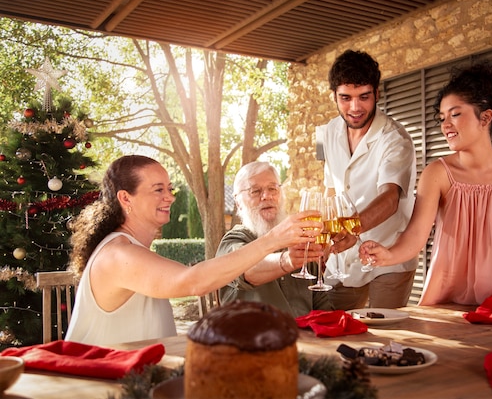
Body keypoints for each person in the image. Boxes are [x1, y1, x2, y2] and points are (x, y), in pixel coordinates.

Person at [65, 155, 321, 345]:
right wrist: (274, 239)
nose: (170, 197)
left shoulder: (132, 249)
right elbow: (194, 282)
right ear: (125, 199)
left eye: (169, 188)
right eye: (158, 190)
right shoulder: (117, 254)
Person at [361, 60, 492, 315]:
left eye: (455, 114)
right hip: (446, 307)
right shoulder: (437, 174)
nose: (445, 125)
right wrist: (387, 256)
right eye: (442, 118)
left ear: (486, 117)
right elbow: (416, 236)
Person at [322, 49, 418, 311]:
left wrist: (350, 228)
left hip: (388, 257)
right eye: (346, 98)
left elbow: (389, 199)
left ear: (377, 93)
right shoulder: (329, 132)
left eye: (364, 96)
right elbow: (331, 189)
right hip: (342, 259)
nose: (355, 107)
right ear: (335, 97)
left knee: (384, 341)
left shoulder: (395, 139)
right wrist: (326, 239)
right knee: (331, 331)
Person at [216, 161, 332, 317]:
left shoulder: (299, 241)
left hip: (306, 338)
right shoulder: (234, 240)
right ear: (238, 202)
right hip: (252, 338)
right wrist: (287, 260)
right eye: (255, 191)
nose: (267, 196)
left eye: (272, 189)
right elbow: (244, 269)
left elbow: (322, 305)